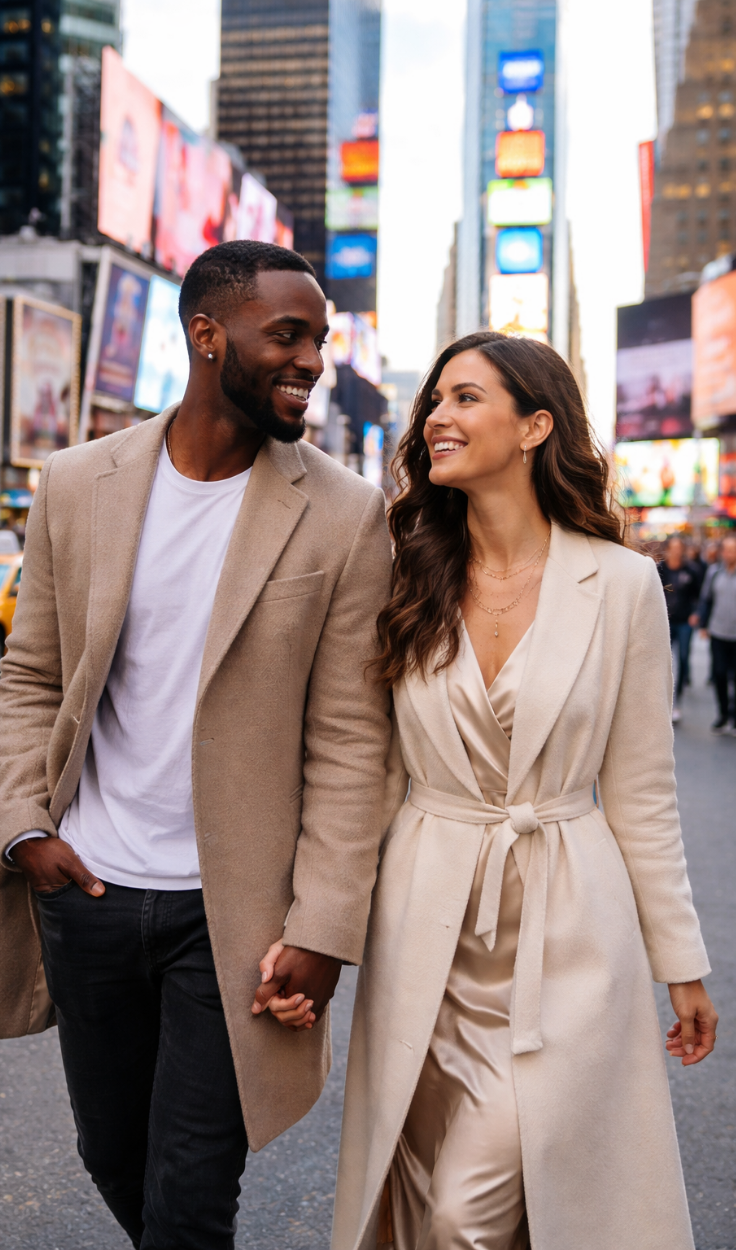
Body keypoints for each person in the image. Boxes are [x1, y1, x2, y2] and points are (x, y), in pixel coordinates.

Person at [0, 241, 393, 1249]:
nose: (309, 358)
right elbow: (35, 674)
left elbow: (355, 741)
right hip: (87, 894)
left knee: (189, 1202)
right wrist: (25, 828)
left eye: (317, 337)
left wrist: (322, 926)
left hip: (230, 922)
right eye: (287, 333)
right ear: (205, 335)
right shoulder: (76, 482)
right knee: (118, 1159)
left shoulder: (347, 514)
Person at [326, 332, 716, 1250]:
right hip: (426, 925)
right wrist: (318, 929)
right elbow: (365, 774)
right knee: (421, 1200)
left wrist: (681, 961)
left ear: (536, 425)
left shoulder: (622, 585)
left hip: (570, 929)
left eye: (465, 399)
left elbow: (643, 792)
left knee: (468, 1214)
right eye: (435, 401)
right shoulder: (401, 568)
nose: (437, 418)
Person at [657, 534, 702, 723]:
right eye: (673, 548)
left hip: (684, 622)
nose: (676, 551)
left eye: (679, 548)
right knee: (664, 660)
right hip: (664, 621)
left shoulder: (691, 570)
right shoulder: (660, 570)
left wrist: (696, 613)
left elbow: (699, 595)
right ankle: (664, 697)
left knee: (683, 657)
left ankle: (679, 695)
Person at [695, 532, 736, 734]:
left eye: (731, 550)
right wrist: (703, 624)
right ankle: (723, 714)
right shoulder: (714, 572)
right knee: (719, 673)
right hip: (718, 631)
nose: (727, 554)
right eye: (726, 550)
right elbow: (706, 599)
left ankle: (734, 716)